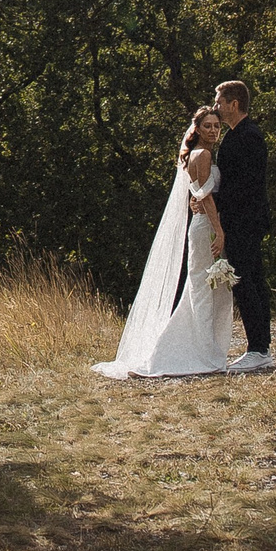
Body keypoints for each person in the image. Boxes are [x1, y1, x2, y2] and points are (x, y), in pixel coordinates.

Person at [93, 105, 237, 379]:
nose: (213, 131)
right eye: (207, 126)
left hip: (201, 224)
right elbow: (206, 197)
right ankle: (200, 352)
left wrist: (201, 207)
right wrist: (219, 231)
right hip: (207, 226)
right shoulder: (204, 154)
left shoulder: (195, 154)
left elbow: (197, 193)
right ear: (197, 129)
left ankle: (201, 348)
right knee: (203, 288)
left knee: (202, 286)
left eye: (217, 126)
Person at [211, 79, 272, 370]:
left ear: (234, 104)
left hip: (245, 221)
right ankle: (260, 346)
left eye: (220, 102)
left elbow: (246, 185)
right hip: (240, 220)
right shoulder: (236, 135)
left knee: (246, 282)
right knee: (250, 280)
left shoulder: (249, 136)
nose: (216, 107)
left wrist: (215, 203)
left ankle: (258, 349)